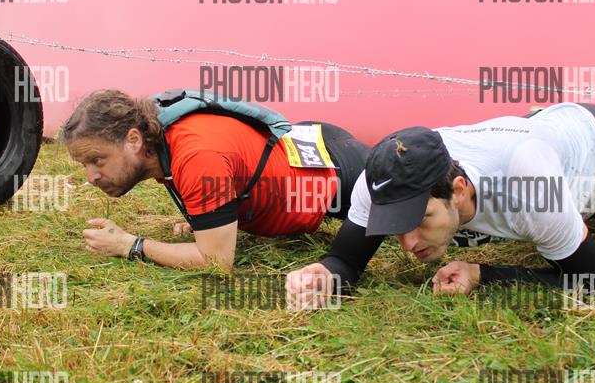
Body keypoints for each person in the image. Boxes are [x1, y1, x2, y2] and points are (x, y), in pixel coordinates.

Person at [286, 102, 595, 306]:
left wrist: (483, 274)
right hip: (534, 140)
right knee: (558, 222)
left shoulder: (530, 186)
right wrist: (324, 275)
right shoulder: (381, 179)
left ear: (458, 190)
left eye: (420, 219)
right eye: (396, 222)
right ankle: (586, 220)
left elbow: (588, 284)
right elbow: (346, 260)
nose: (408, 243)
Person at [60, 89, 369, 270]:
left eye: (97, 160)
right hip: (311, 142)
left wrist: (130, 245)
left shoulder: (196, 156)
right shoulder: (160, 131)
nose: (91, 177)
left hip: (342, 173)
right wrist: (208, 217)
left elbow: (216, 261)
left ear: (134, 139)